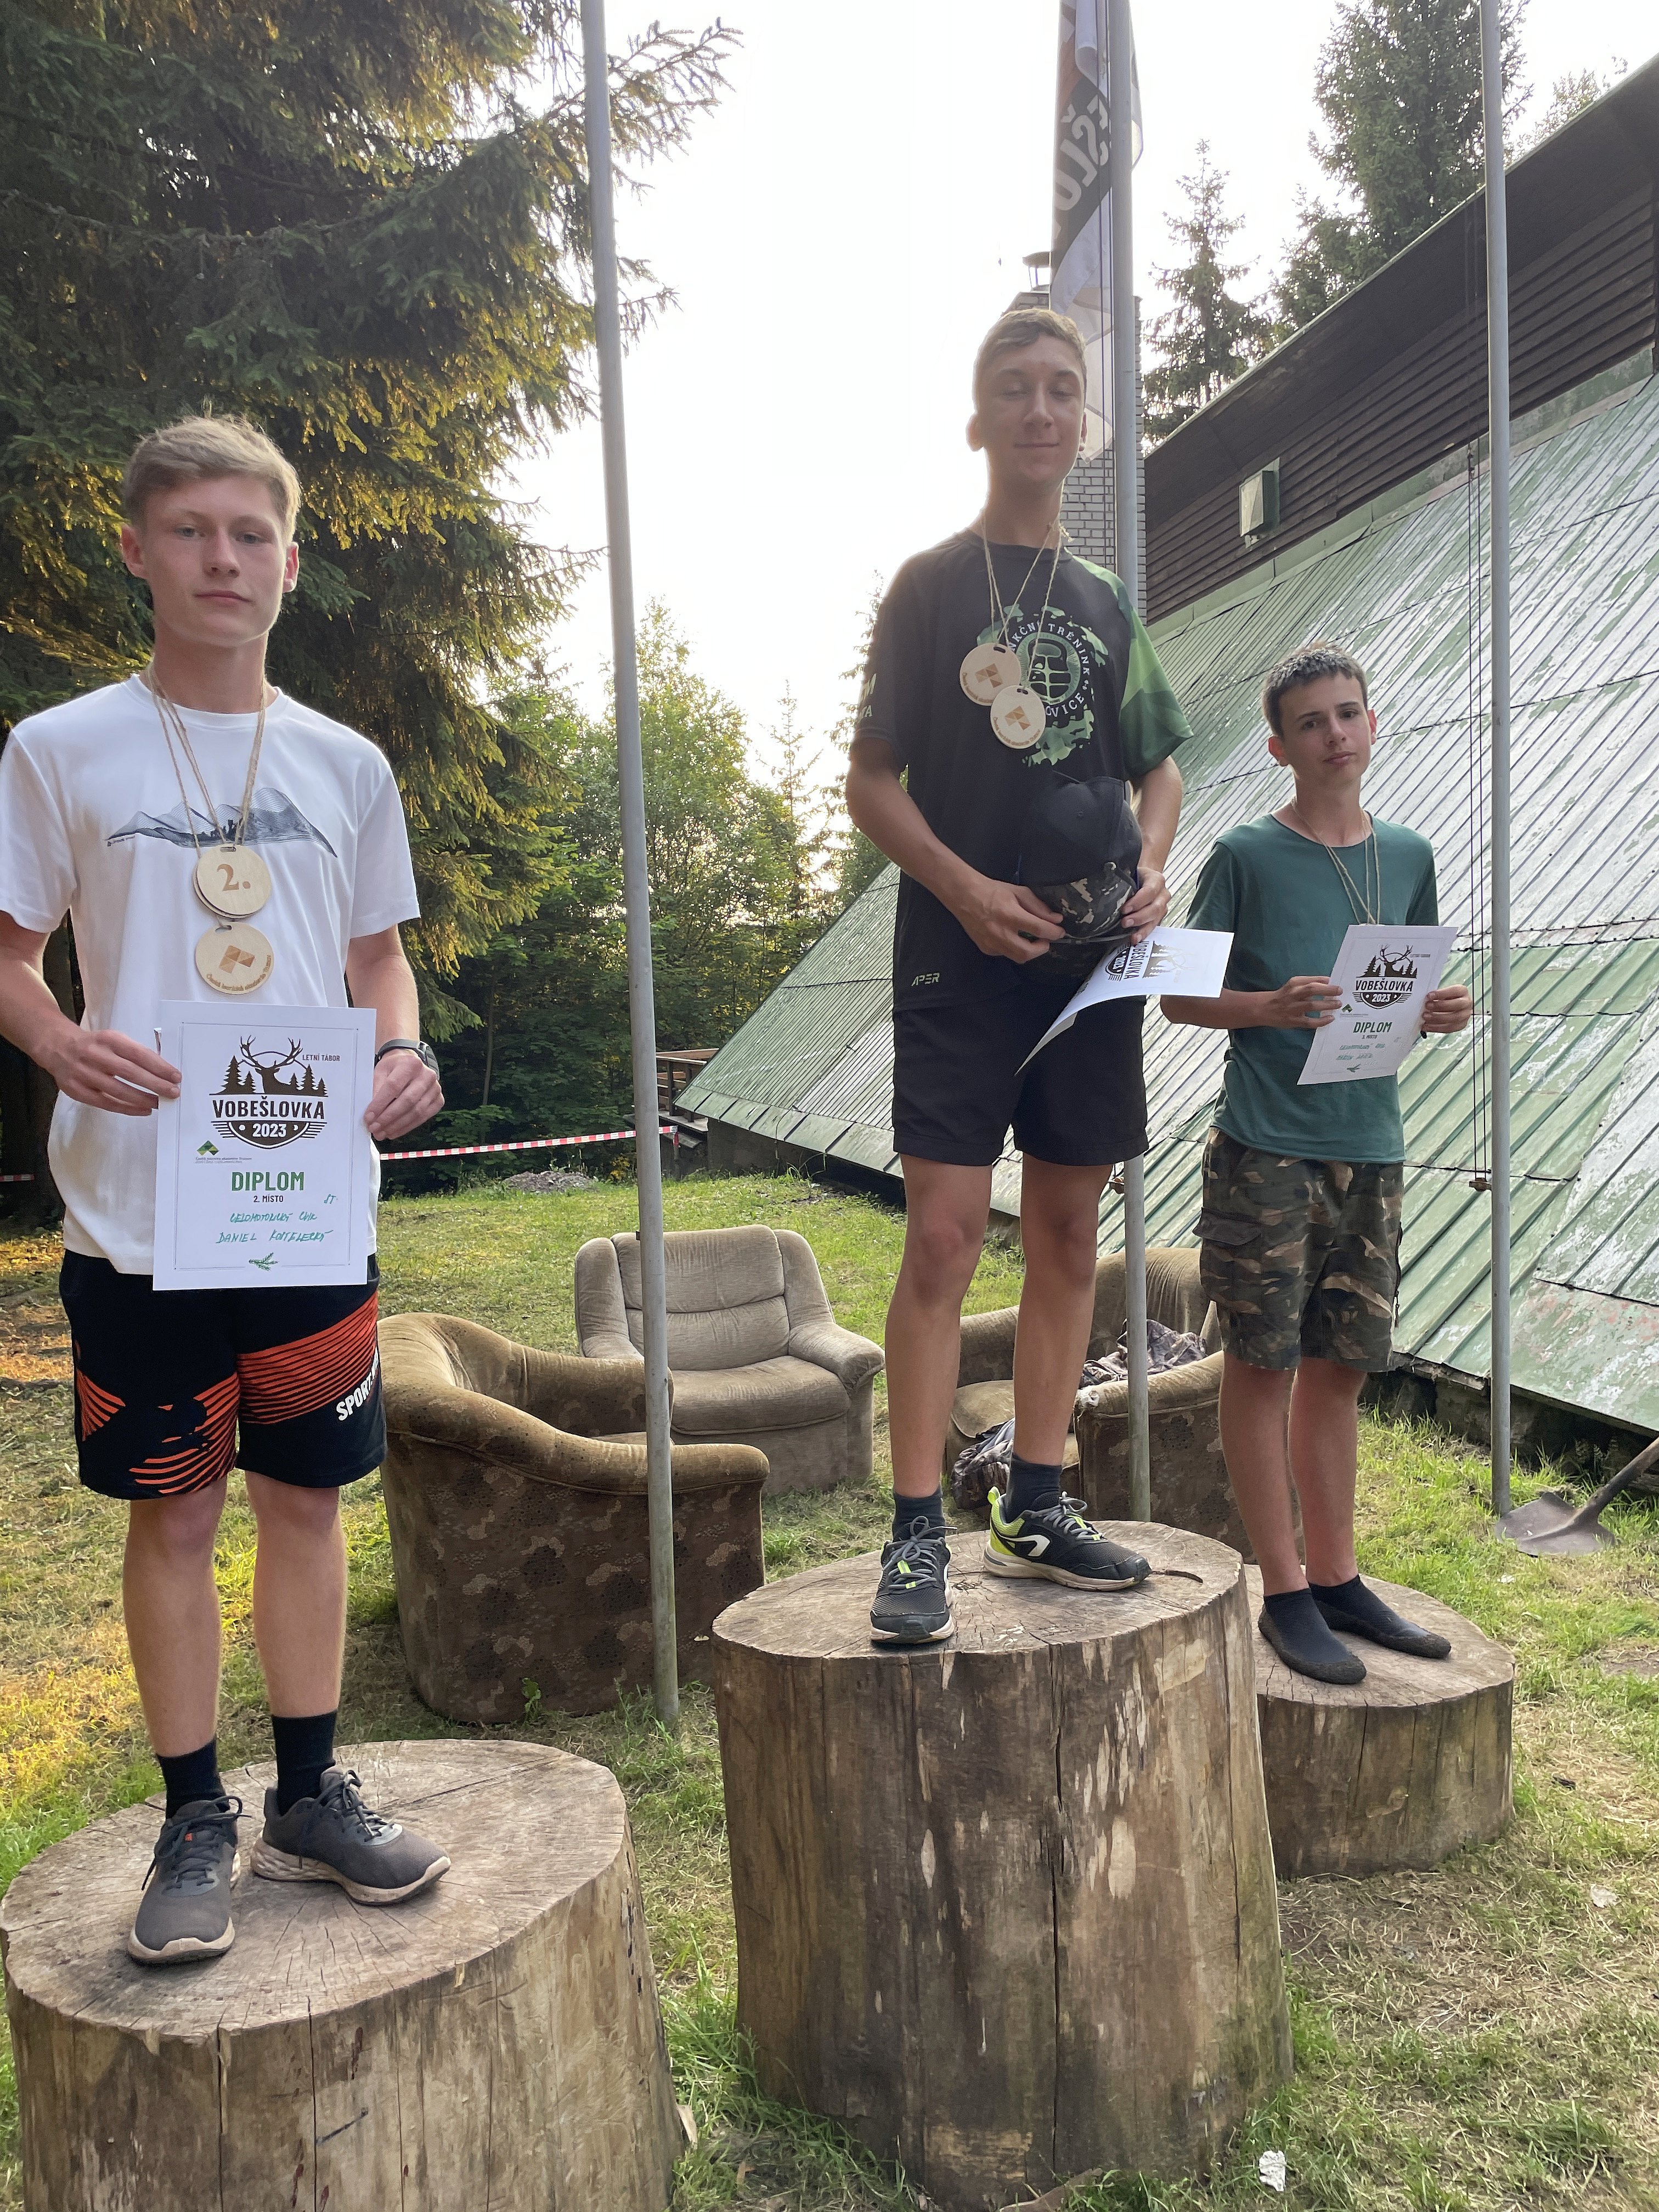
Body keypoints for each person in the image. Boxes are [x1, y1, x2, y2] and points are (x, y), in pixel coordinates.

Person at [0, 417, 451, 1963]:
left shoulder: (346, 763)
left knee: (306, 1502)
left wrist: (405, 1052)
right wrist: (57, 1040)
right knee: (177, 1510)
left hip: (303, 1203)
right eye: (190, 531)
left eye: (249, 534)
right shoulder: (60, 748)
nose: (221, 559)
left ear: (290, 562)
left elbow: (379, 960)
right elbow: (11, 955)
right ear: (138, 550)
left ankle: (310, 1797)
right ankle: (195, 1815)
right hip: (137, 1215)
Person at [845, 308, 1191, 1645]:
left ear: (1084, 423)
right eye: (1015, 389)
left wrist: (1150, 864)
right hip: (959, 958)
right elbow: (873, 782)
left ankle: (1037, 1504)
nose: (1041, 410)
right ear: (978, 419)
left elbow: (1162, 767)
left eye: (1062, 389)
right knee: (942, 1238)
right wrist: (965, 891)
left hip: (1090, 968)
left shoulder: (1106, 602)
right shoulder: (930, 588)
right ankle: (916, 1531)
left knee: (1066, 1237)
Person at [1162, 642, 1473, 1684]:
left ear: (1373, 724)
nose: (1335, 734)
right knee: (1263, 1366)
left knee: (1341, 1369)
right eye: (1311, 722)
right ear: (1280, 747)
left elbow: (1401, 1000)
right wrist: (1269, 1005)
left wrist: (1438, 1012)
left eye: (1348, 713)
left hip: (1371, 1145)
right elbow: (1179, 997)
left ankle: (1339, 1578)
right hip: (1266, 1146)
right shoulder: (1245, 854)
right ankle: (1285, 1591)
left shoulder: (1410, 854)